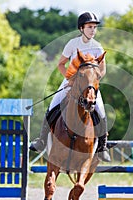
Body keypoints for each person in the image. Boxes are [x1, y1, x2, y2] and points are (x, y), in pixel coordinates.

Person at [29, 12, 111, 162]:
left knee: (101, 111)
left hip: (90, 86)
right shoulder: (73, 44)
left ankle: (102, 147)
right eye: (90, 27)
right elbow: (60, 64)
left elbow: (103, 68)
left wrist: (94, 81)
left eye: (94, 27)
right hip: (71, 83)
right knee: (53, 106)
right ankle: (41, 141)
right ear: (81, 28)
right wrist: (69, 78)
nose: (93, 30)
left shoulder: (97, 47)